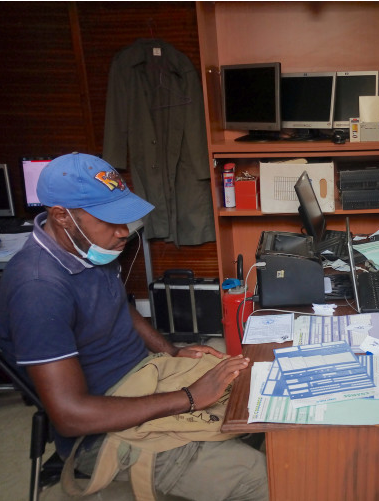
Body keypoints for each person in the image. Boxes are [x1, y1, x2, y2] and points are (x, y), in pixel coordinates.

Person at [0, 153, 268, 500]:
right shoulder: (38, 288)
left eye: (124, 219)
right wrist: (189, 397)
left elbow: (120, 308)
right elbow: (70, 415)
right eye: (109, 221)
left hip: (146, 375)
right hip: (101, 427)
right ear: (62, 216)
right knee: (260, 478)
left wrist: (170, 350)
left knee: (256, 390)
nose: (123, 232)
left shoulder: (91, 247)